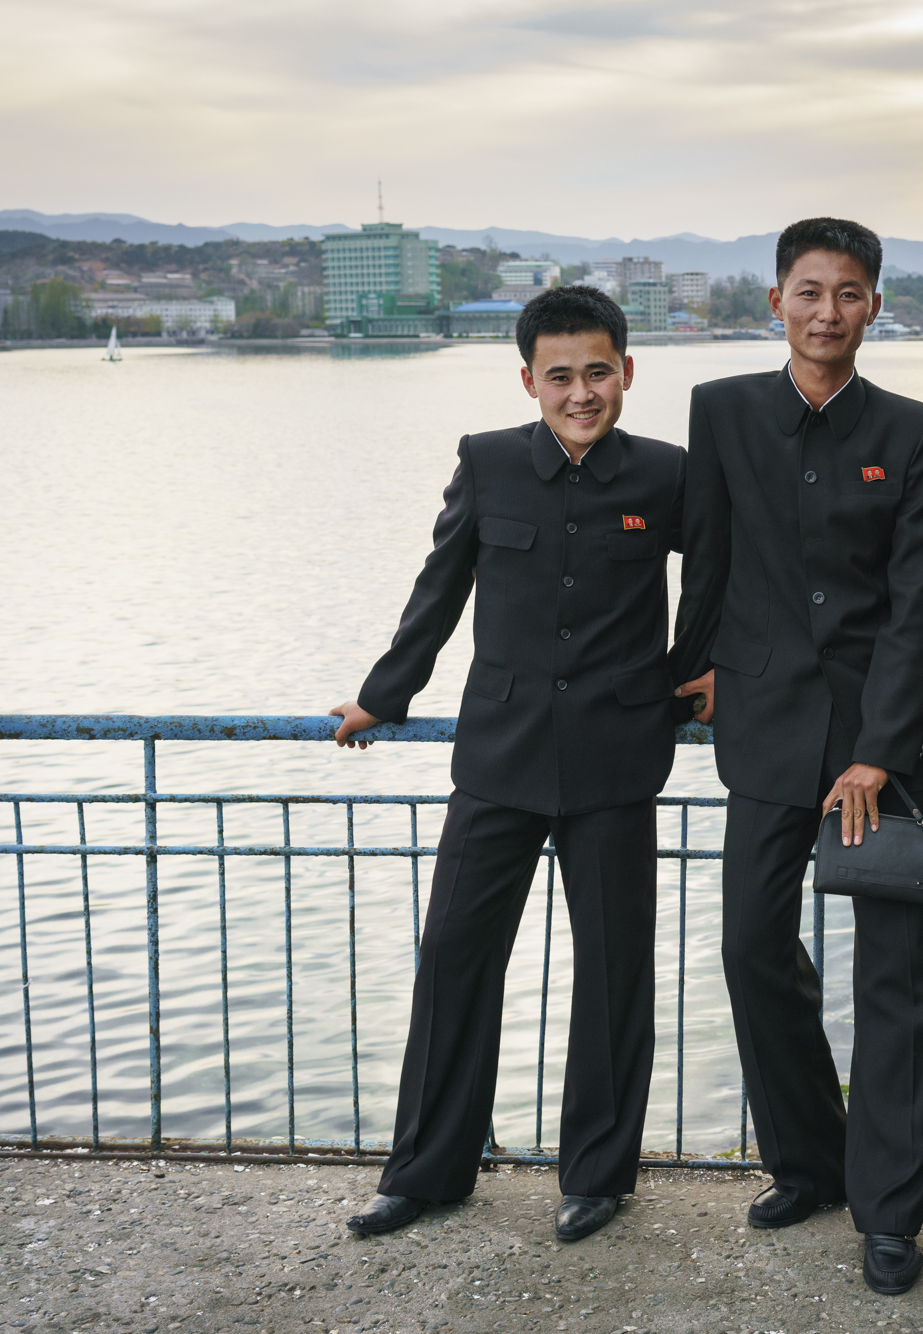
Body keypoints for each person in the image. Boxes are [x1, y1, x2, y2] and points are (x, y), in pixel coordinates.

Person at [330, 287, 687, 1243]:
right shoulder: (486, 464)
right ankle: (427, 1174)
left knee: (614, 975)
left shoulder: (666, 476)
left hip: (618, 759)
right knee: (454, 958)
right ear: (529, 379)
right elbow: (438, 589)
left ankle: (598, 1179)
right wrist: (385, 694)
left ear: (626, 373)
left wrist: (700, 673)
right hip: (498, 757)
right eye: (561, 376)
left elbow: (728, 582)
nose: (582, 393)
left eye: (599, 373)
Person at [670, 218, 923, 1296]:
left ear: (873, 307)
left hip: (875, 743)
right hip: (762, 725)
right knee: (751, 945)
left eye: (847, 293)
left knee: (895, 980)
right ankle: (810, 1157)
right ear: (774, 301)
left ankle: (888, 1210)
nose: (826, 310)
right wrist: (686, 669)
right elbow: (707, 559)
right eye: (807, 290)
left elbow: (915, 602)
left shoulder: (911, 428)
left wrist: (881, 748)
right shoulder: (723, 409)